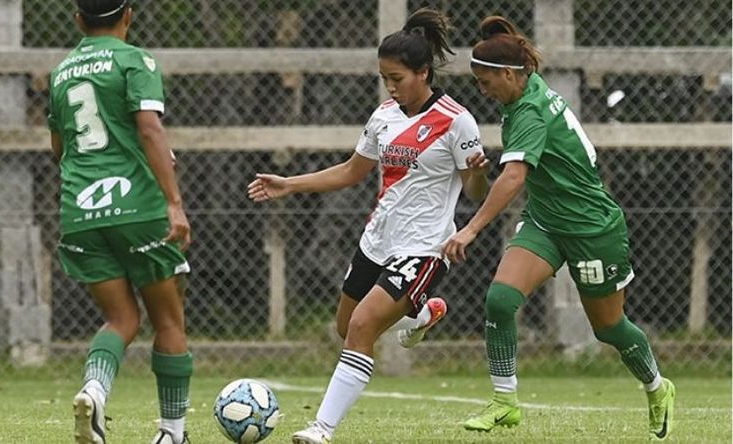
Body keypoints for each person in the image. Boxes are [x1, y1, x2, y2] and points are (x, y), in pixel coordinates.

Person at [248, 8, 488, 443]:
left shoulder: (457, 121)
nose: (391, 87)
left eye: (397, 78)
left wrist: (476, 173)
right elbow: (350, 171)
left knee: (361, 327)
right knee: (346, 327)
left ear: (423, 72)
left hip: (425, 247)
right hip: (378, 238)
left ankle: (321, 429)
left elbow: (475, 193)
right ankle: (421, 313)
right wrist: (290, 185)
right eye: (384, 79)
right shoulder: (384, 115)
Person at [441, 16, 676, 441]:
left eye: (484, 81)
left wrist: (470, 229)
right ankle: (504, 402)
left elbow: (513, 178)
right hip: (546, 221)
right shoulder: (524, 93)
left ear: (508, 75)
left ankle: (658, 387)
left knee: (609, 329)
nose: (483, 90)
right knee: (500, 299)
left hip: (591, 228)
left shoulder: (529, 109)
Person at [47, 1, 193, 443]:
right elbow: (148, 128)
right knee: (168, 320)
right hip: (136, 207)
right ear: (128, 15)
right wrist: (174, 202)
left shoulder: (62, 72)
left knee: (120, 318)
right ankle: (171, 434)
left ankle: (94, 389)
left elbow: (59, 147)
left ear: (78, 20)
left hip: (80, 211)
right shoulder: (136, 60)